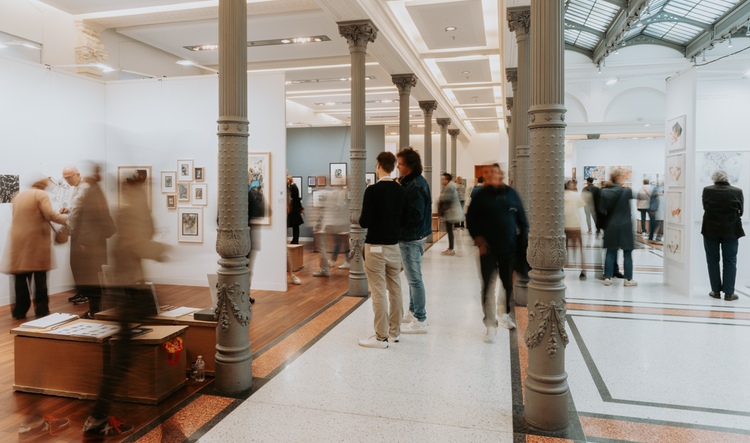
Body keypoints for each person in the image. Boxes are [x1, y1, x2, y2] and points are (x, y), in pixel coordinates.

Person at [83, 171, 168, 438]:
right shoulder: (129, 212)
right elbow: (137, 244)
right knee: (123, 357)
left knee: (127, 352)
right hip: (129, 290)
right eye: (142, 188)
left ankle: (102, 411)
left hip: (130, 288)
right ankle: (97, 416)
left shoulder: (131, 209)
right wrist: (161, 251)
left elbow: (146, 232)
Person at [467, 163, 529, 342]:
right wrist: (478, 239)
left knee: (507, 284)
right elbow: (471, 219)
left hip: (508, 249)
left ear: (501, 175)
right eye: (488, 173)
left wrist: (521, 244)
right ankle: (490, 324)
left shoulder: (512, 194)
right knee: (487, 286)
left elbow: (523, 222)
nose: (491, 175)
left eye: (495, 172)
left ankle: (505, 314)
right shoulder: (480, 196)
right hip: (487, 250)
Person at [357, 152, 407, 348]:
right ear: (394, 166)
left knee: (378, 291)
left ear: (378, 165)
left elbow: (364, 222)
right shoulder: (401, 191)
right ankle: (395, 332)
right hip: (394, 246)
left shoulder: (372, 191)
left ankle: (381, 336)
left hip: (375, 246)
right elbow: (405, 221)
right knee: (395, 289)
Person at [2, 177, 68, 319]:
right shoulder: (41, 195)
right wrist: (68, 218)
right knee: (39, 279)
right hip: (36, 243)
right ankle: (42, 310)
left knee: (20, 280)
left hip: (18, 243)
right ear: (43, 186)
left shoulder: (18, 196)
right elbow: (50, 214)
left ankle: (19, 311)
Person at [64, 164, 116, 318]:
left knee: (90, 273)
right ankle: (93, 306)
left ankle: (94, 309)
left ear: (78, 174)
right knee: (87, 272)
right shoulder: (90, 189)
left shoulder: (89, 189)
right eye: (65, 178)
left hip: (88, 240)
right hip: (88, 238)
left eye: (69, 177)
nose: (67, 181)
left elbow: (88, 217)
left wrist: (83, 241)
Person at [396, 147, 432, 334]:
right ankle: (412, 311)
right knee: (412, 278)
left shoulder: (415, 185)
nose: (398, 167)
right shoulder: (412, 182)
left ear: (409, 166)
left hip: (411, 237)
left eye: (400, 164)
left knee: (415, 279)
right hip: (413, 236)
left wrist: (397, 218)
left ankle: (420, 318)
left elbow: (415, 214)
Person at [701, 170, 744, 301]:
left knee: (712, 260)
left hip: (710, 229)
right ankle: (729, 293)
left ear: (714, 179)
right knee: (730, 261)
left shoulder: (707, 190)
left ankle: (715, 291)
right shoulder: (737, 191)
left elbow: (705, 207)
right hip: (731, 230)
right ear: (727, 178)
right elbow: (741, 211)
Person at [599, 169, 637, 287]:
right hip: (625, 225)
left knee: (610, 251)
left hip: (611, 225)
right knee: (627, 252)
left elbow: (601, 209)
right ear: (620, 178)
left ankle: (608, 277)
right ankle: (628, 279)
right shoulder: (627, 191)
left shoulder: (604, 192)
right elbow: (638, 196)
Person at [564, 180, 586, 279]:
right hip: (575, 224)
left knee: (564, 247)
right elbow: (582, 204)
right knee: (579, 248)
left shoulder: (562, 195)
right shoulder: (576, 195)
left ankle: (561, 266)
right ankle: (583, 268)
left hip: (564, 224)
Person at [438, 173, 463, 256]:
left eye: (443, 179)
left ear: (447, 180)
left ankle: (451, 249)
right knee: (453, 231)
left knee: (450, 231)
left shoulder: (449, 188)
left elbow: (446, 201)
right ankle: (455, 248)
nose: (441, 180)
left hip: (451, 213)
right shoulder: (451, 187)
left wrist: (441, 212)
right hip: (453, 212)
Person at [286, 175, 304, 245]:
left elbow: (296, 198)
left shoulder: (293, 187)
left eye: (287, 179)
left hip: (294, 209)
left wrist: (300, 208)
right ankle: (295, 240)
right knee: (295, 226)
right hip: (294, 209)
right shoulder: (292, 187)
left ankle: (295, 240)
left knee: (295, 225)